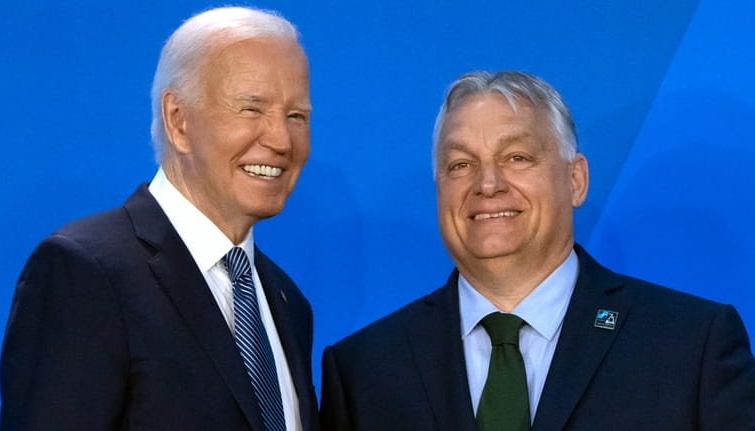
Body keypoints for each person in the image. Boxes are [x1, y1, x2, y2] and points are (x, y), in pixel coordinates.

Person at [320, 71, 755, 430]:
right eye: (460, 165)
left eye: (517, 157)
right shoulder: (364, 369)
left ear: (575, 180)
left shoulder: (690, 346)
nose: (487, 184)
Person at [0, 7, 318, 431]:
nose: (281, 139)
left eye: (297, 116)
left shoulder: (287, 302)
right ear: (178, 120)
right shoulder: (86, 274)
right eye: (251, 108)